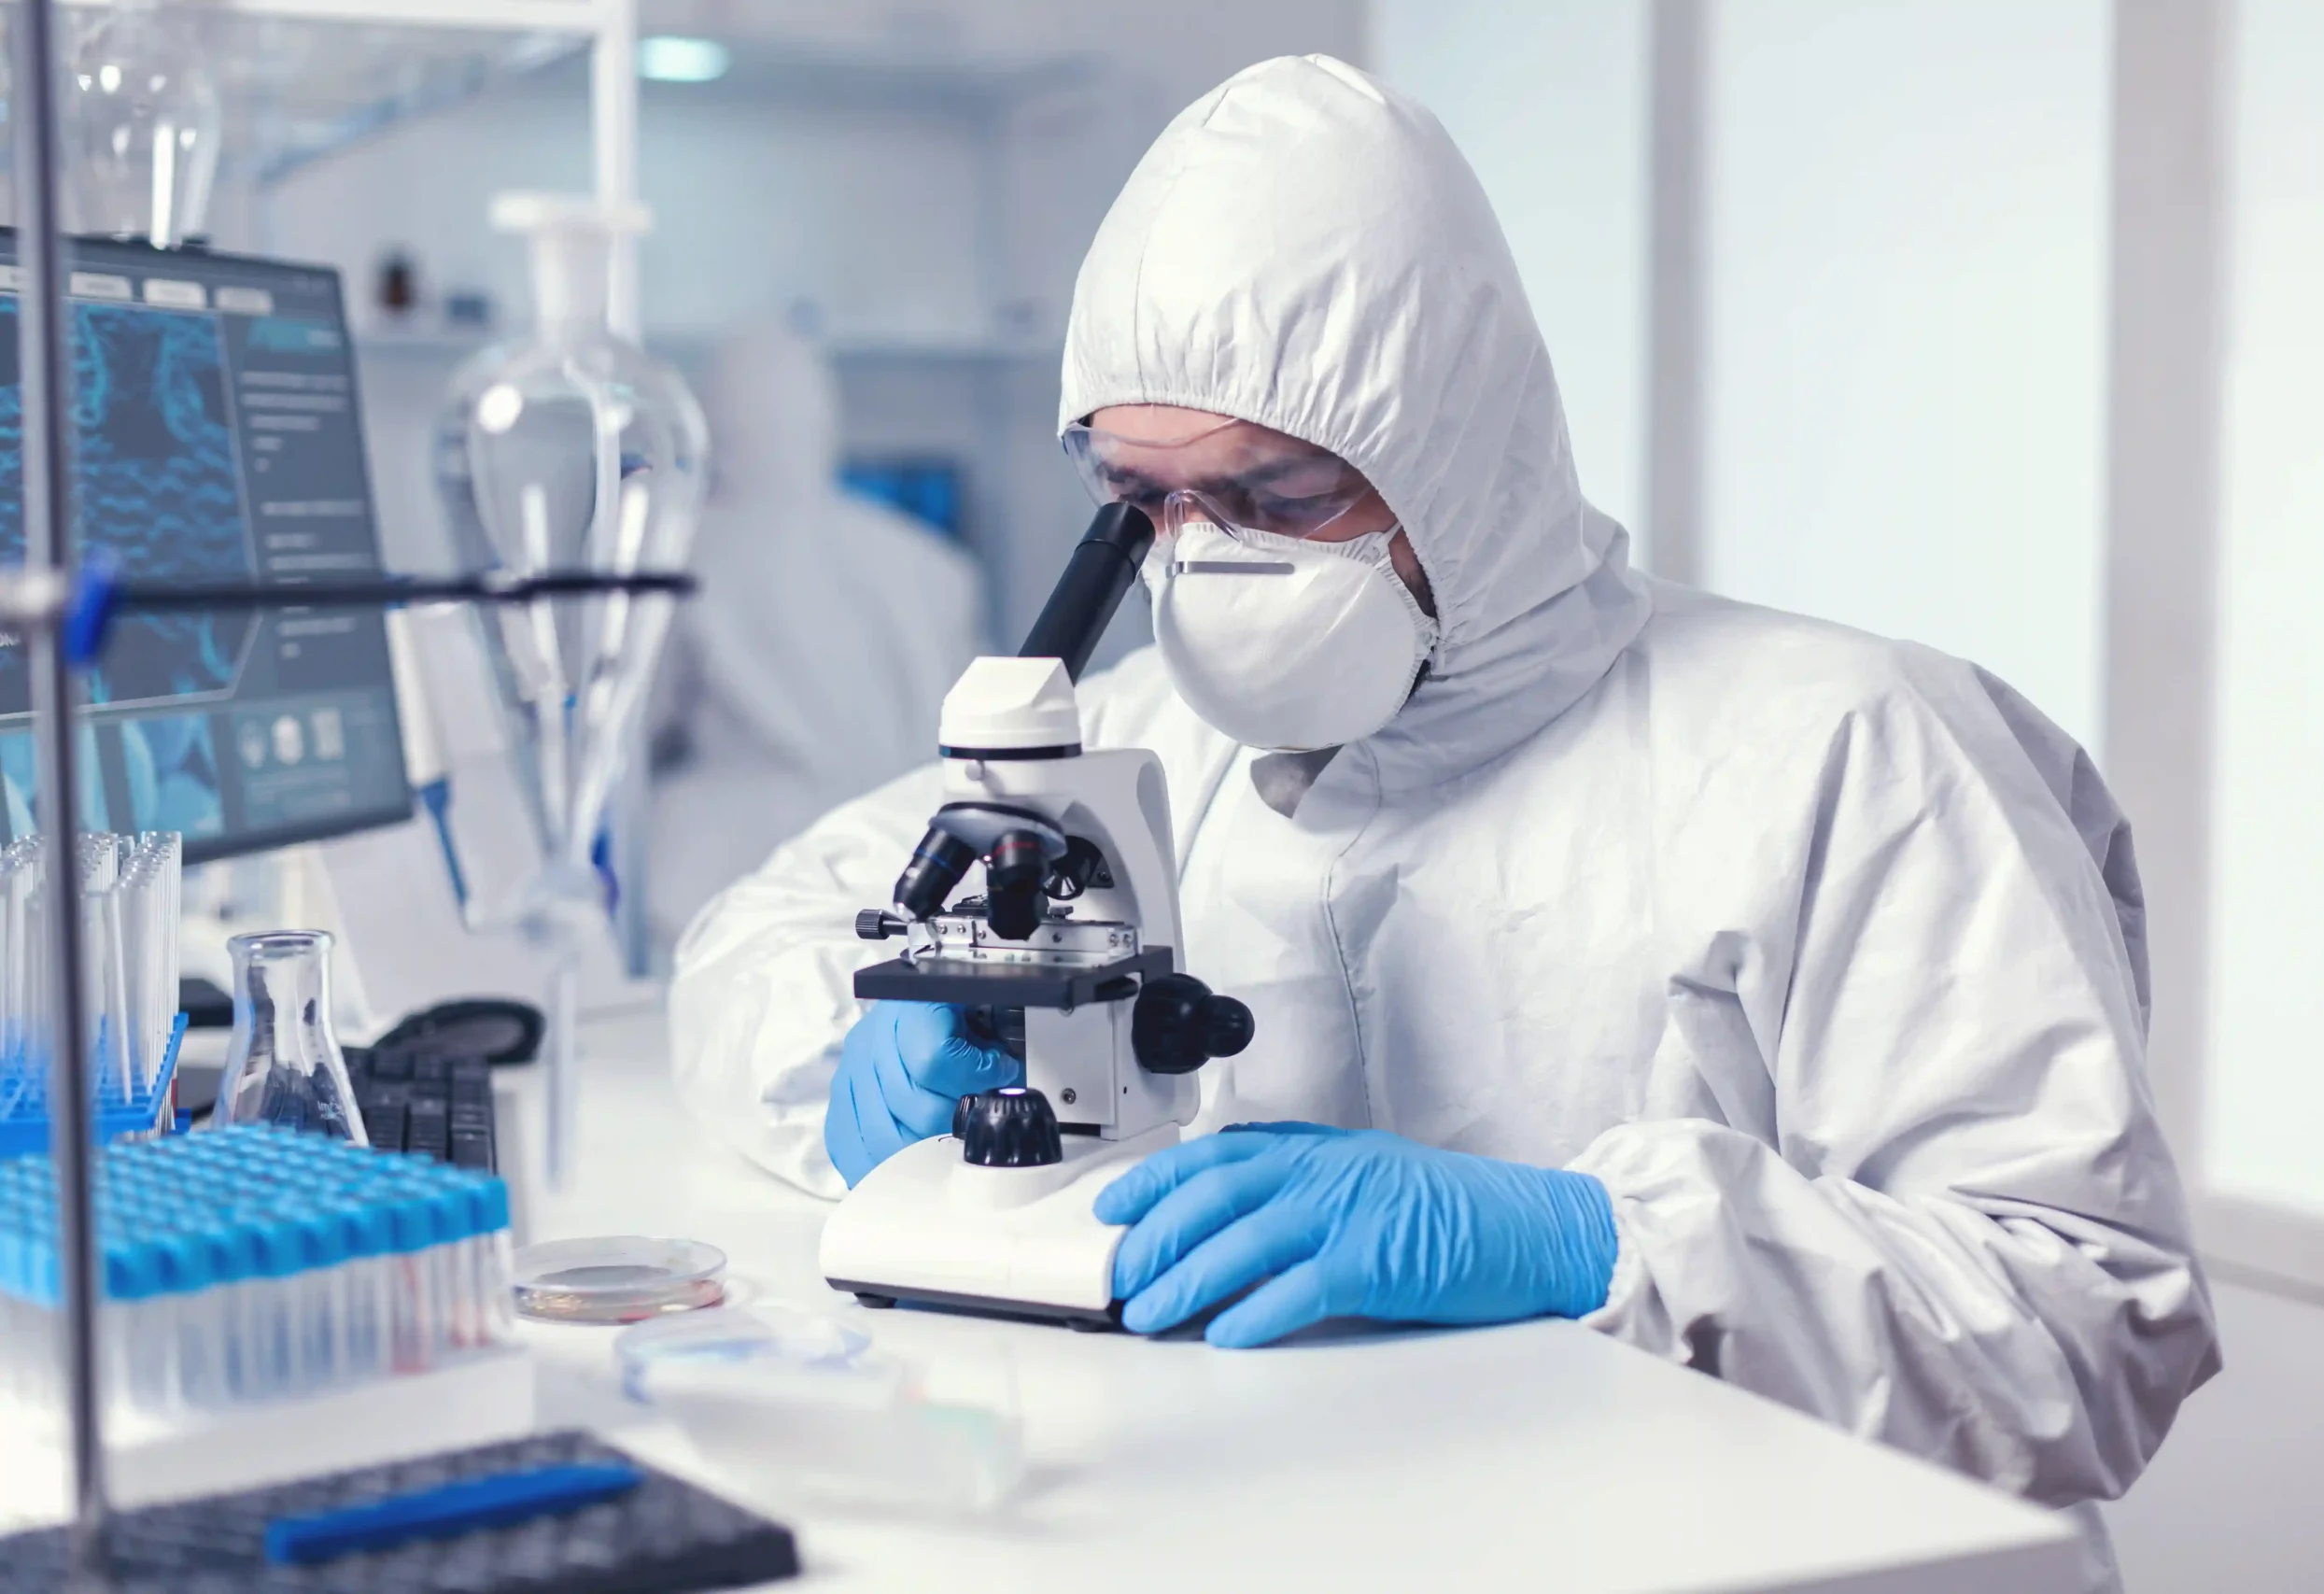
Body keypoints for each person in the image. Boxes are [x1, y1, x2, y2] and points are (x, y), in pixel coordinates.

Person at [670, 56, 2216, 1588]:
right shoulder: (1144, 736)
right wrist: (864, 1063)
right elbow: (754, 936)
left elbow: (2086, 1320)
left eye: (1276, 496)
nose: (1205, 562)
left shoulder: (1848, 746)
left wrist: (1598, 1242)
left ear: (1453, 462)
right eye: (1146, 498)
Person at [646, 316, 982, 946]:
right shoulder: (926, 560)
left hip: (724, 874)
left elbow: (638, 726)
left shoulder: (690, 554)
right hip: (903, 856)